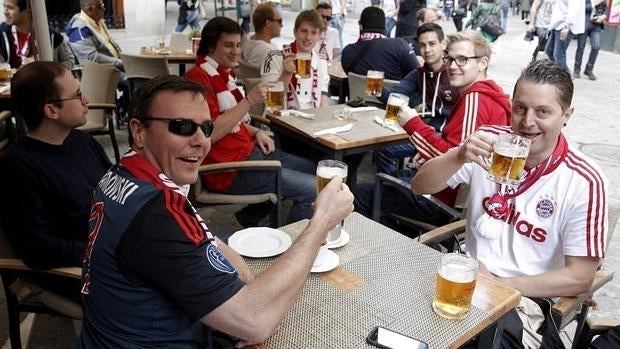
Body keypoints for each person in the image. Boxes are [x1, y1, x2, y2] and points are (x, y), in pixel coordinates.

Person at [78, 75, 354, 348]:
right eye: (182, 126)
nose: (202, 141)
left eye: (206, 128)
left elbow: (202, 235)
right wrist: (321, 222)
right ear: (139, 131)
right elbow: (256, 322)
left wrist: (248, 283)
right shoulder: (157, 214)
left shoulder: (127, 171)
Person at [412, 58, 607, 348]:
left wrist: (499, 285)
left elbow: (580, 277)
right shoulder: (488, 142)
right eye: (520, 108)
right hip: (465, 279)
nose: (527, 122)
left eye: (543, 111)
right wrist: (457, 156)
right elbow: (420, 186)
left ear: (567, 115)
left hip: (525, 304)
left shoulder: (583, 180)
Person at [354, 30, 510, 231]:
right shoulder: (488, 95)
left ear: (482, 63)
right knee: (388, 179)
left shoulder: (476, 99)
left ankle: (402, 246)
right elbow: (456, 153)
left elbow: (456, 161)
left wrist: (412, 123)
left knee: (359, 194)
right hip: (447, 193)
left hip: (442, 202)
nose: (453, 66)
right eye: (450, 59)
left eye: (462, 59)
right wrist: (429, 157)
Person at [184, 17, 317, 226]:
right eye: (228, 45)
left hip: (250, 153)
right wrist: (248, 101)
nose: (236, 51)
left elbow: (231, 120)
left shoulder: (223, 74)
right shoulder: (198, 78)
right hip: (228, 169)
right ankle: (293, 249)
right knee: (313, 188)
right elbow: (209, 132)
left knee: (312, 168)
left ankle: (251, 215)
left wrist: (257, 132)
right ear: (211, 46)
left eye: (238, 45)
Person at [0, 62, 111, 271]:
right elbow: (39, 249)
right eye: (77, 95)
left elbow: (116, 190)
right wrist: (104, 253)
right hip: (80, 271)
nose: (86, 101)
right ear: (51, 110)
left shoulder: (82, 141)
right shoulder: (18, 167)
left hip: (115, 248)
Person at [376, 22, 460, 174]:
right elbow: (395, 96)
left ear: (443, 45)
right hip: (426, 131)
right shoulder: (419, 74)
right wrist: (377, 89)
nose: (427, 50)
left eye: (432, 44)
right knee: (383, 150)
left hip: (450, 139)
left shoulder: (455, 73)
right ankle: (390, 188)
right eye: (422, 45)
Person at [66, 0, 129, 124]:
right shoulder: (79, 27)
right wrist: (118, 62)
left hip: (112, 66)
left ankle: (124, 108)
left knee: (138, 76)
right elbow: (91, 57)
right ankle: (123, 113)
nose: (104, 9)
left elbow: (110, 45)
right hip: (98, 71)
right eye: (102, 6)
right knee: (130, 81)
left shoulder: (97, 21)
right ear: (90, 9)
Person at [266, 10, 330, 109]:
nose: (308, 37)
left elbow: (323, 100)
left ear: (319, 36)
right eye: (304, 31)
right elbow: (271, 103)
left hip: (311, 120)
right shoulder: (274, 58)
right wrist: (286, 74)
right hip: (281, 119)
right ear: (295, 32)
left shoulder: (321, 62)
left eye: (313, 33)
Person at [341, 6, 418, 81]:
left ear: (361, 26)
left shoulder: (347, 52)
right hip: (394, 93)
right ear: (384, 26)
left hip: (358, 94)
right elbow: (417, 74)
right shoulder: (400, 45)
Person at [0, 0, 75, 69]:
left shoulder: (51, 36)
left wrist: (47, 68)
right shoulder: (2, 33)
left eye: (10, 8)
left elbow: (69, 60)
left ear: (26, 11)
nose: (5, 12)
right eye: (4, 7)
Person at [545, 0, 585, 73]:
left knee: (558, 54)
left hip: (564, 25)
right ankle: (558, 73)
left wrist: (567, 26)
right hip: (557, 24)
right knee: (549, 50)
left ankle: (565, 75)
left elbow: (574, 7)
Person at [241, 1, 283, 70]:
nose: (282, 25)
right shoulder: (271, 52)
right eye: (279, 21)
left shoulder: (248, 38)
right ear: (268, 23)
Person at [573, 0, 606, 80]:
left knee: (596, 47)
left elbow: (606, 11)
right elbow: (579, 8)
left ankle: (589, 69)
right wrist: (593, 4)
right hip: (584, 23)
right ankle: (577, 69)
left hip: (596, 25)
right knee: (581, 47)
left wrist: (602, 17)